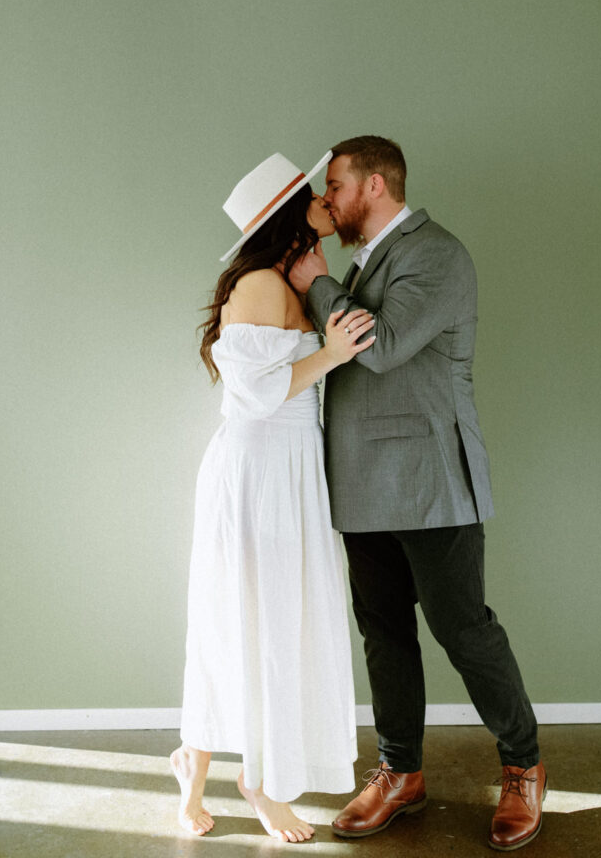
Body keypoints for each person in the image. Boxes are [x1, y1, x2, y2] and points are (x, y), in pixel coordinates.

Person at [289, 135, 547, 852]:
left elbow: (381, 342)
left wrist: (313, 279)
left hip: (432, 482)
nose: (327, 201)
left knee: (463, 631)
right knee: (383, 635)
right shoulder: (365, 261)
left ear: (373, 185)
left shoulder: (435, 254)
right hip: (364, 485)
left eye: (335, 186)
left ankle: (523, 765)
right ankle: (400, 772)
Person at [171, 150, 375, 843]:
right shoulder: (258, 283)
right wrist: (331, 354)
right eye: (312, 195)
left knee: (276, 620)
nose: (325, 199)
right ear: (292, 213)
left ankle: (225, 772)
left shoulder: (294, 277)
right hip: (255, 473)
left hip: (291, 468)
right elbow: (253, 396)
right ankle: (236, 780)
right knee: (237, 621)